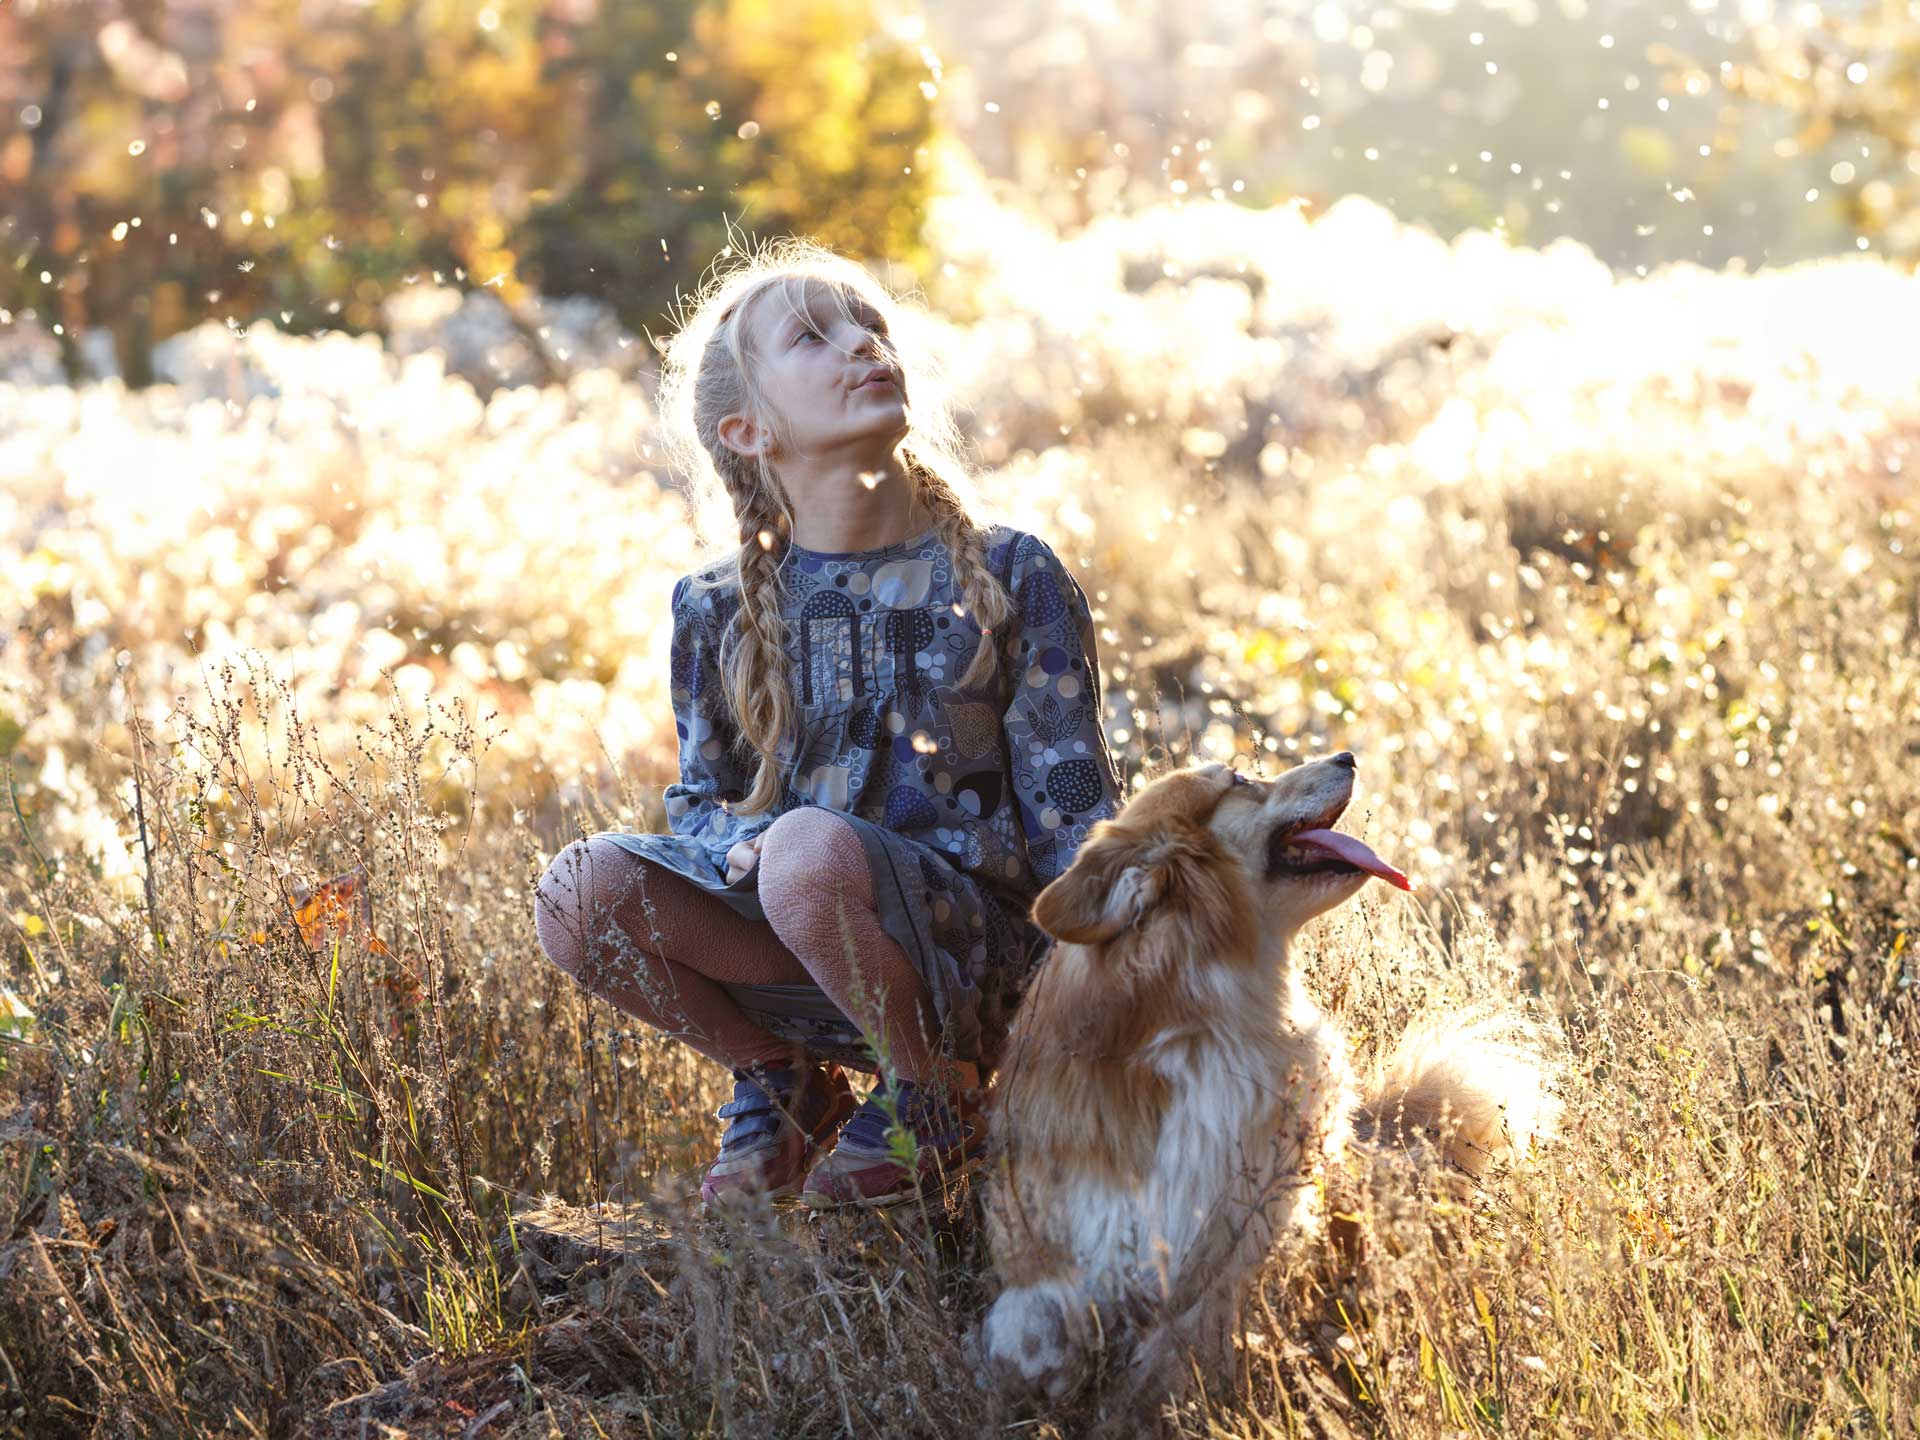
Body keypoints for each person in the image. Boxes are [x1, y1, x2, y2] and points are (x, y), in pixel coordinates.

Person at [532, 237, 1124, 1211]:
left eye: (872, 327)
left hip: (986, 970)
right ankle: (783, 1081)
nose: (862, 345)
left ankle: (937, 1095)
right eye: (815, 337)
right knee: (575, 890)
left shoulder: (1012, 576)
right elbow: (700, 799)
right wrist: (742, 848)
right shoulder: (712, 609)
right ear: (750, 430)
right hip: (807, 958)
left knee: (805, 855)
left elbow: (1076, 816)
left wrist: (1109, 990)